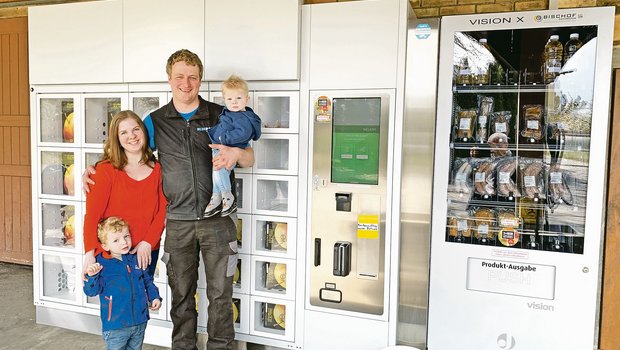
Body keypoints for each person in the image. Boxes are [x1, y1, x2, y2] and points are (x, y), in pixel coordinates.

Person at [83, 49, 255, 350]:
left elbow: (250, 157)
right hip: (178, 224)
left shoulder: (222, 114)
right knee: (181, 297)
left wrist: (237, 154)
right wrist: (95, 167)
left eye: (192, 77)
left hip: (220, 221)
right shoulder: (156, 121)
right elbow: (129, 144)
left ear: (200, 80)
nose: (185, 84)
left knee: (221, 295)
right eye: (179, 77)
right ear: (169, 79)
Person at [83, 110, 167, 279]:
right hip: (112, 255)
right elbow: (92, 215)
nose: (132, 136)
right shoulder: (104, 170)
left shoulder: (159, 169)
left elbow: (163, 210)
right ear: (117, 138)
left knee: (144, 302)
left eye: (136, 129)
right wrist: (89, 253)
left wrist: (148, 242)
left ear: (144, 132)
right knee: (115, 304)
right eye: (124, 132)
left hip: (144, 251)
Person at [83, 216, 162, 350]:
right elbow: (91, 291)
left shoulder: (136, 258)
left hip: (139, 322)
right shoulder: (100, 264)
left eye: (126, 236)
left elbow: (147, 281)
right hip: (115, 326)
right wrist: (92, 276)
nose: (124, 242)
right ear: (105, 245)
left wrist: (154, 296)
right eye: (116, 240)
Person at [204, 75, 261, 218]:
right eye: (230, 99)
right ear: (224, 100)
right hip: (222, 145)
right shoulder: (228, 113)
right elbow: (223, 127)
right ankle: (217, 196)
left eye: (238, 98)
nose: (234, 102)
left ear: (247, 99)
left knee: (219, 170)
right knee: (216, 170)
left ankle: (227, 196)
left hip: (229, 146)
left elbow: (242, 134)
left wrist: (222, 138)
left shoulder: (243, 117)